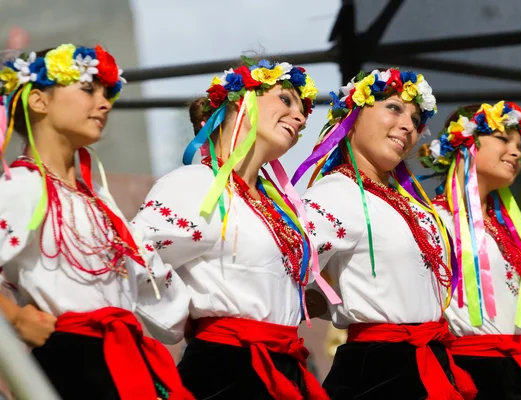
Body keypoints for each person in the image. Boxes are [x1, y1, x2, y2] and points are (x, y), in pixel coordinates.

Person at [132, 56, 337, 399]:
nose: (300, 117)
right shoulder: (199, 183)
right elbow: (135, 249)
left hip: (283, 368)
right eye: (286, 99)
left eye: (303, 110)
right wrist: (181, 315)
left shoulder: (277, 206)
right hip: (228, 370)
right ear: (240, 101)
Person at [0, 44, 192, 400]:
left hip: (128, 356)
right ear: (39, 101)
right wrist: (15, 319)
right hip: (72, 363)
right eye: (88, 89)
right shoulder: (21, 187)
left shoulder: (97, 196)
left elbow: (151, 293)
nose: (104, 103)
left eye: (107, 93)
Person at [292, 68, 476, 399]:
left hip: (431, 362)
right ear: (354, 115)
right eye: (394, 107)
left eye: (415, 118)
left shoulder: (415, 205)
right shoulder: (335, 193)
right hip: (377, 371)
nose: (409, 125)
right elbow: (285, 273)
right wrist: (338, 303)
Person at [421, 101, 521, 399]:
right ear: (466, 141)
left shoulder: (512, 230)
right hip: (470, 372)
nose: (517, 152)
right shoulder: (433, 220)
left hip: (520, 370)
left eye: (520, 145)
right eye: (504, 139)